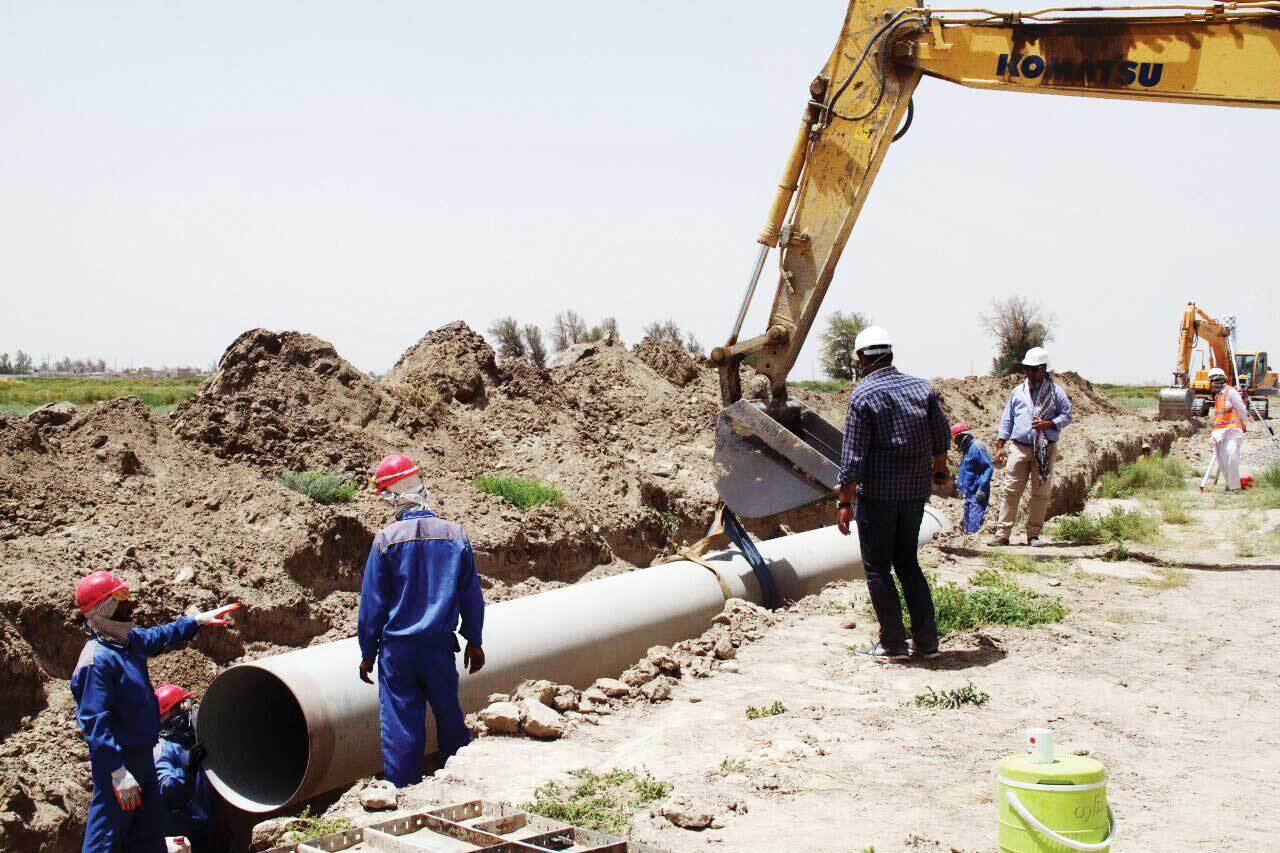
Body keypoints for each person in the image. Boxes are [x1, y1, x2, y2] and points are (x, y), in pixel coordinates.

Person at [70, 571, 237, 853]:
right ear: (104, 609)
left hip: (144, 757)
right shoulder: (97, 661)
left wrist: (196, 621)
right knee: (105, 841)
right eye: (121, 599)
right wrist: (117, 773)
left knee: (148, 839)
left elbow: (159, 636)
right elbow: (94, 722)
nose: (130, 605)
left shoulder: (125, 642)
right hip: (120, 764)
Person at [358, 453, 486, 788]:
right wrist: (474, 639)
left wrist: (367, 652)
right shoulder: (455, 535)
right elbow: (471, 593)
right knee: (449, 716)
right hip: (438, 647)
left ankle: (403, 794)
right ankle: (458, 785)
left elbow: (372, 604)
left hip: (397, 650)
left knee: (401, 724)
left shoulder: (386, 540)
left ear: (393, 496)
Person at [835, 326, 950, 662]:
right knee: (908, 563)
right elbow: (941, 434)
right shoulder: (921, 388)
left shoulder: (863, 395)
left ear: (860, 358)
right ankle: (926, 641)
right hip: (915, 494)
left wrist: (844, 502)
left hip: (879, 497)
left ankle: (893, 644)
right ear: (890, 353)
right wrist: (939, 466)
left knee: (877, 568)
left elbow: (853, 457)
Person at [990, 347, 1074, 546]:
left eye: (1034, 369)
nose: (1029, 373)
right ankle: (1002, 534)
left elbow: (1067, 415)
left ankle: (1033, 535)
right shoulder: (1018, 392)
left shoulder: (1056, 393)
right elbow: (1007, 419)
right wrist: (1000, 444)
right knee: (1010, 490)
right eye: (1027, 369)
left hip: (1045, 449)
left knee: (1040, 492)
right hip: (1019, 448)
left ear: (1044, 369)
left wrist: (1049, 424)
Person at [153, 684, 213, 852]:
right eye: (184, 707)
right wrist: (188, 769)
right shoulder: (162, 749)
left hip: (203, 827)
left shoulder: (192, 742)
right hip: (178, 833)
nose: (189, 710)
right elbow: (166, 789)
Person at [1208, 367, 1248, 491]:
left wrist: (1244, 424)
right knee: (1222, 460)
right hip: (1220, 433)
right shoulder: (1217, 396)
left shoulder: (1231, 392)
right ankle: (1229, 485)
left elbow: (1241, 409)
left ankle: (1236, 487)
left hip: (1232, 431)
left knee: (1231, 456)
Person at [952, 421, 994, 534]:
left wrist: (982, 488)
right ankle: (967, 543)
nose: (956, 443)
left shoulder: (976, 447)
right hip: (969, 493)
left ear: (961, 437)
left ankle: (971, 544)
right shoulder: (967, 451)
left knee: (973, 525)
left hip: (977, 492)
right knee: (967, 521)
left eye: (956, 440)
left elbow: (988, 468)